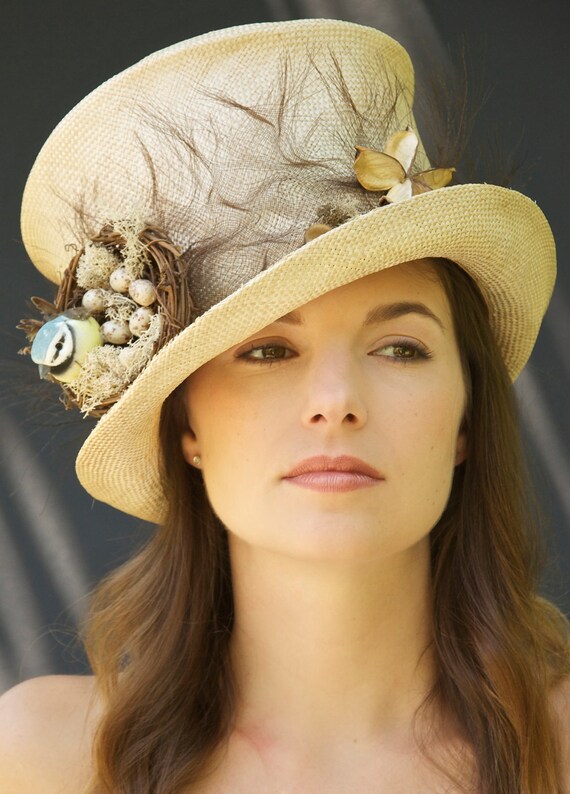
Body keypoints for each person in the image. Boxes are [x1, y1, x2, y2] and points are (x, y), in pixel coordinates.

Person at [0, 17, 568, 794]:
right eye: (268, 350)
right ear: (184, 424)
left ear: (468, 415)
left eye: (400, 348)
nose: (336, 403)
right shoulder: (43, 760)